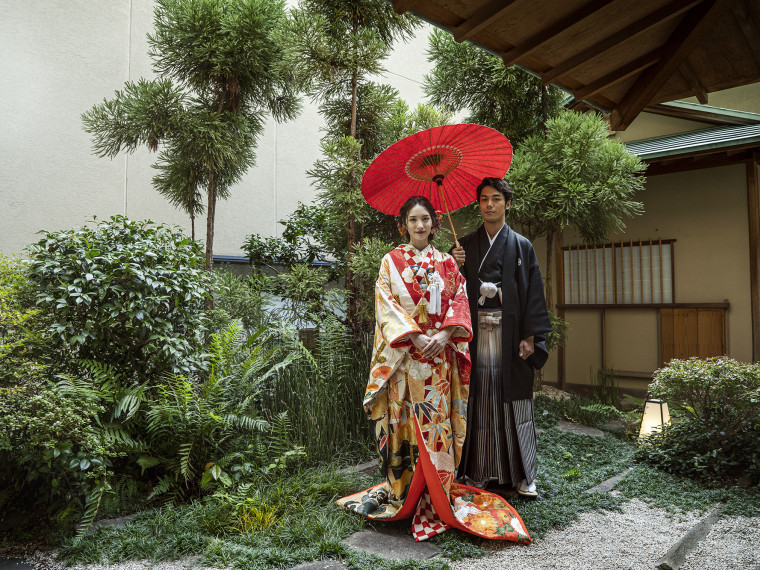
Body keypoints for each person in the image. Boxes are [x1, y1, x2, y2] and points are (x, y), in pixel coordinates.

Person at [337, 196, 531, 543]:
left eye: (425, 219)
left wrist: (442, 335)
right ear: (403, 225)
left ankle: (436, 496)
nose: (420, 225)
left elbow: (460, 302)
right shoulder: (390, 262)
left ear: (435, 223)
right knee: (404, 427)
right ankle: (405, 494)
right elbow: (386, 305)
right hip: (404, 360)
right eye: (413, 219)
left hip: (438, 362)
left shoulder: (446, 263)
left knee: (436, 428)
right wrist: (413, 336)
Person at [451, 177, 552, 497]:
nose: (489, 204)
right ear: (478, 204)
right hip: (476, 334)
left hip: (511, 333)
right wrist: (453, 266)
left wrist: (530, 335)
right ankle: (480, 470)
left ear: (508, 203)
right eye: (483, 199)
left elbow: (533, 292)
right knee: (480, 400)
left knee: (516, 401)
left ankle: (525, 475)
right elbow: (450, 289)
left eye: (496, 198)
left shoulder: (521, 245)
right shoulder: (464, 245)